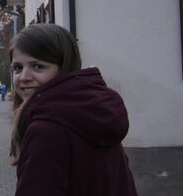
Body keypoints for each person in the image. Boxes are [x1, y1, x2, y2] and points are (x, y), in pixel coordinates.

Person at [9, 23, 137, 196]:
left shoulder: (47, 130)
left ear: (65, 68)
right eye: (17, 68)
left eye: (38, 66)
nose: (24, 77)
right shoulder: (95, 112)